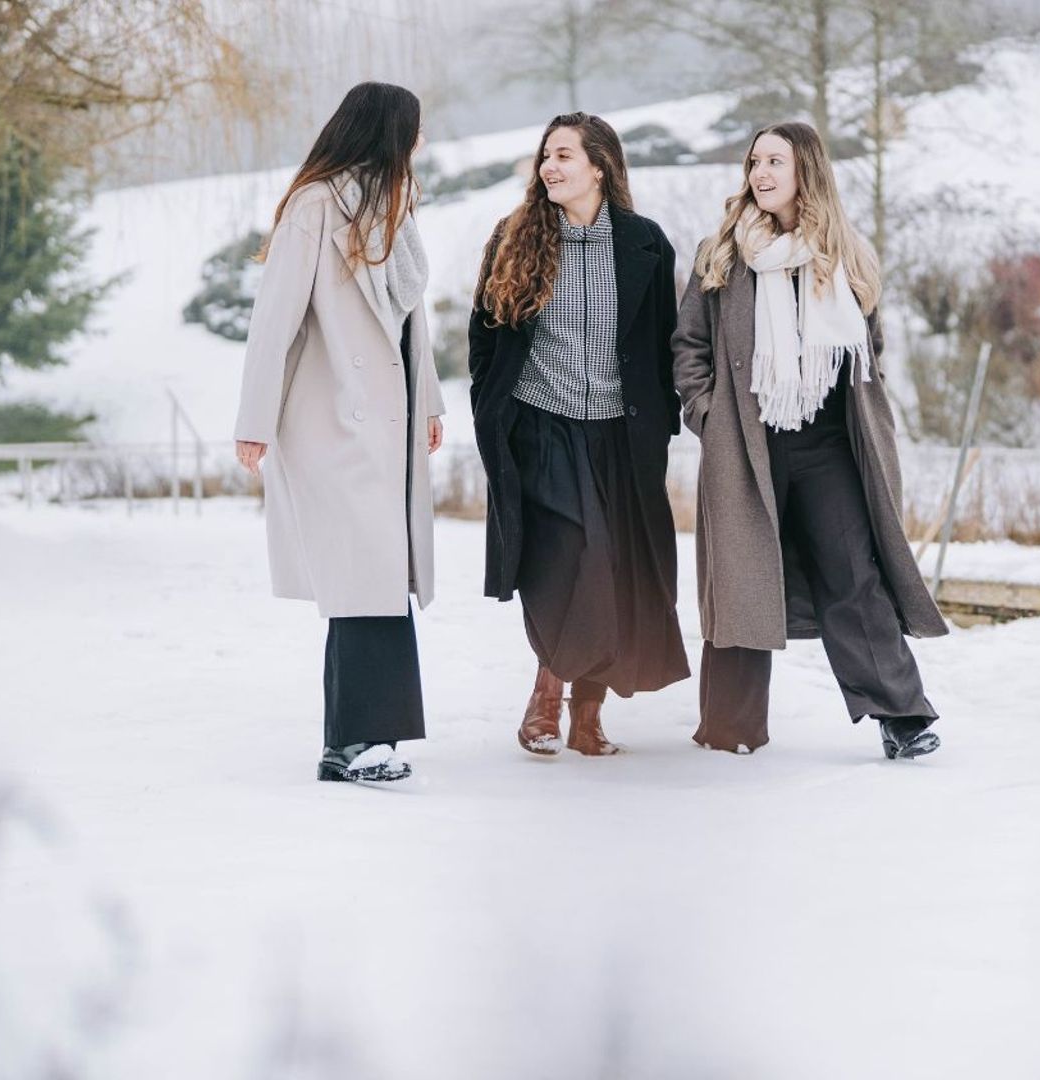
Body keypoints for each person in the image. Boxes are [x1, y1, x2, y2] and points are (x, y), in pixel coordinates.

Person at [671, 121, 950, 760]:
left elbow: (868, 346)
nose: (760, 174)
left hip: (827, 444)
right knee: (742, 581)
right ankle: (730, 727)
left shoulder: (846, 254)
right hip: (746, 441)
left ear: (807, 173)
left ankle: (902, 716)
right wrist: (707, 414)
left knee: (854, 573)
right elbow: (688, 345)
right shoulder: (722, 250)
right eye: (754, 162)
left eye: (775, 161)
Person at [232, 82, 444, 783]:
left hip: (388, 422)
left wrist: (432, 402)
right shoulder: (315, 207)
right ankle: (359, 743)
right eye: (412, 131)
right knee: (367, 581)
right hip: (332, 422)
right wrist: (254, 421)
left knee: (374, 582)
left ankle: (350, 742)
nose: (418, 144)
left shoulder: (395, 209)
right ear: (386, 132)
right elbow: (275, 323)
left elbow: (412, 320)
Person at [467, 112, 689, 757]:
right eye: (545, 156)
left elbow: (660, 344)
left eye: (564, 155)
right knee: (571, 562)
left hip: (621, 435)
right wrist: (492, 411)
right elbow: (485, 340)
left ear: (601, 166)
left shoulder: (646, 241)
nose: (550, 167)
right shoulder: (513, 237)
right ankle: (546, 694)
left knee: (615, 569)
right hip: (542, 427)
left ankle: (588, 715)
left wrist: (663, 422)